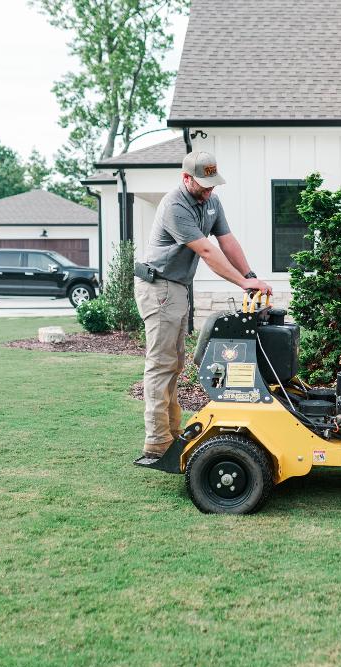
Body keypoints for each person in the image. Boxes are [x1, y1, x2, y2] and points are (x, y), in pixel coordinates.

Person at [133, 150, 272, 467]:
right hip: (159, 287)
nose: (210, 191)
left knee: (176, 363)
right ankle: (156, 443)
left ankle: (171, 433)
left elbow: (226, 240)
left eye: (212, 184)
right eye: (203, 184)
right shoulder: (174, 206)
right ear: (186, 178)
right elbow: (207, 251)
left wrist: (250, 276)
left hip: (177, 287)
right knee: (161, 364)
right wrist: (241, 283)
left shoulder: (211, 202)